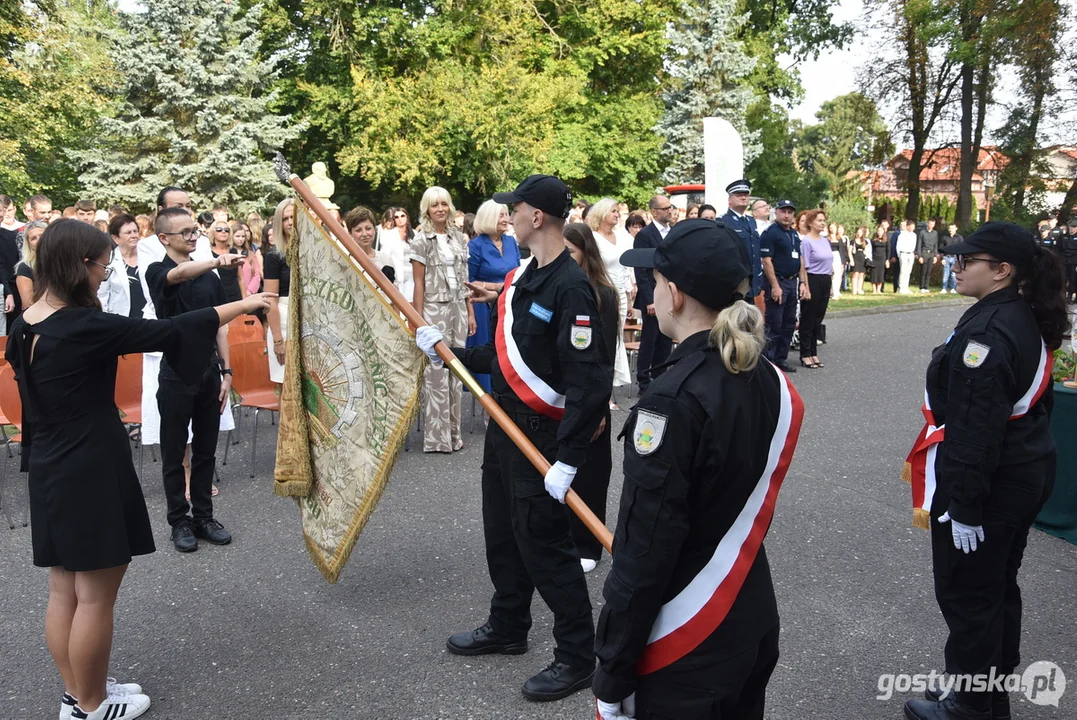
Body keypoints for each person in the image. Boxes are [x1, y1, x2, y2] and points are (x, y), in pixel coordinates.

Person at [8, 219, 270, 720]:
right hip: (90, 465)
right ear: (78, 264)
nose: (108, 268)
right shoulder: (84, 325)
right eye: (102, 261)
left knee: (65, 588)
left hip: (49, 462)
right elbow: (171, 330)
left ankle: (78, 690)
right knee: (94, 597)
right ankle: (90, 705)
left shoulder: (27, 323)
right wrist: (247, 304)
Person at [595, 218, 804, 720]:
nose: (653, 295)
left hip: (687, 638)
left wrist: (612, 668)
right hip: (747, 613)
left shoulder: (671, 401)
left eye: (657, 283)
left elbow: (645, 552)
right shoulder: (765, 376)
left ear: (677, 293)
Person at [414, 174, 611, 702]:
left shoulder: (571, 287)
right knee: (502, 533)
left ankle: (577, 655)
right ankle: (508, 626)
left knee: (545, 546)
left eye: (515, 209)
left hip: (541, 439)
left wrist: (569, 458)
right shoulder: (526, 277)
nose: (509, 216)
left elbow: (587, 382)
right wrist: (449, 349)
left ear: (537, 217)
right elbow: (507, 361)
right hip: (504, 428)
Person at [902, 222, 1067, 720]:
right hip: (1023, 468)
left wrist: (966, 505)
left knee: (969, 591)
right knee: (994, 586)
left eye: (966, 261)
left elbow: (976, 428)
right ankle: (980, 688)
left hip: (993, 482)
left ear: (1001, 271)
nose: (955, 266)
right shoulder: (1011, 312)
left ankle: (971, 706)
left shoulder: (990, 331)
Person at [146, 207, 245, 553]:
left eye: (194, 231)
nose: (192, 236)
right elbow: (178, 275)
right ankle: (179, 521)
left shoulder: (209, 277)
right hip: (175, 373)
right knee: (175, 454)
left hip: (208, 372)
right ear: (164, 238)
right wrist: (217, 261)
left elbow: (220, 325)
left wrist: (226, 372)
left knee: (206, 452)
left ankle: (204, 517)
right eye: (184, 232)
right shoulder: (157, 270)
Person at [562, 222, 618, 573]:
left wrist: (599, 407)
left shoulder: (603, 294)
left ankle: (589, 544)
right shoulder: (557, 288)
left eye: (571, 252)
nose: (565, 259)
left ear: (586, 252)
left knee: (591, 473)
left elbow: (605, 356)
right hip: (559, 394)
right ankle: (562, 538)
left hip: (591, 396)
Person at [410, 186, 474, 453]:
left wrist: (470, 312)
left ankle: (454, 434)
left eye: (444, 204)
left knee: (457, 369)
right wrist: (417, 319)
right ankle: (437, 439)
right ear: (426, 208)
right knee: (435, 372)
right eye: (434, 205)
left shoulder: (459, 237)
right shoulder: (420, 240)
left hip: (458, 307)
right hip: (433, 309)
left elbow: (465, 279)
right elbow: (418, 282)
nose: (440, 209)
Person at [467, 200, 521, 392]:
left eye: (507, 214)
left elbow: (517, 272)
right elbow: (468, 281)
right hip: (482, 306)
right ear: (489, 217)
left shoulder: (511, 241)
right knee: (487, 355)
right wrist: (497, 286)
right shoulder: (475, 246)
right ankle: (488, 406)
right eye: (501, 215)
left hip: (508, 303)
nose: (506, 219)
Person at [587, 198, 634, 394]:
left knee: (617, 338)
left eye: (617, 211)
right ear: (602, 214)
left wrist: (629, 296)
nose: (617, 214)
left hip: (621, 293)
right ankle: (601, 386)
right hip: (601, 293)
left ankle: (610, 386)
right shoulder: (593, 238)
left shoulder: (622, 237)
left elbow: (626, 269)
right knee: (603, 336)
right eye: (613, 211)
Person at [632, 196, 675, 395]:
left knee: (666, 339)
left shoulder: (673, 232)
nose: (670, 211)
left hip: (670, 294)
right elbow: (641, 271)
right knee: (649, 339)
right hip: (653, 295)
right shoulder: (645, 235)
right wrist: (649, 299)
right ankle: (644, 380)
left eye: (670, 207)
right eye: (665, 208)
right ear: (655, 212)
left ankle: (661, 376)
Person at [760, 199, 801, 372]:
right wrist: (775, 286)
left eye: (790, 212)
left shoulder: (794, 234)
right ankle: (769, 362)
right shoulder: (771, 233)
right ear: (776, 212)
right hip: (778, 281)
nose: (786, 215)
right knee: (774, 323)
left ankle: (781, 359)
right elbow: (767, 261)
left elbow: (800, 259)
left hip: (792, 281)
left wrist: (803, 282)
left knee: (788, 323)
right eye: (783, 211)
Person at [264, 198, 293, 385]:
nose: (290, 222)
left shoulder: (312, 252)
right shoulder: (274, 256)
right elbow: (270, 300)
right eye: (285, 219)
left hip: (309, 320)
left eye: (293, 217)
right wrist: (277, 340)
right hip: (282, 319)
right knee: (286, 388)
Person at [799, 209, 832, 369]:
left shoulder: (825, 240)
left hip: (825, 279)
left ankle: (813, 352)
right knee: (808, 318)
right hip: (812, 278)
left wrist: (830, 284)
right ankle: (805, 354)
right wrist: (805, 285)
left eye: (823, 220)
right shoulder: (806, 241)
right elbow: (803, 265)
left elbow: (828, 263)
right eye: (819, 220)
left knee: (818, 318)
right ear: (811, 223)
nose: (822, 223)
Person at [721, 179, 762, 301]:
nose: (743, 197)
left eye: (746, 195)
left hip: (752, 281)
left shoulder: (751, 221)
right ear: (730, 200)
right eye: (739, 195)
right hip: (736, 283)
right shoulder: (724, 222)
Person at [98, 214, 142, 318]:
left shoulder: (147, 257)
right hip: (121, 321)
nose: (134, 235)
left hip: (148, 320)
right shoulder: (109, 262)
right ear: (115, 238)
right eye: (128, 233)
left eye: (135, 231)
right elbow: (102, 297)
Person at [345, 205, 396, 283]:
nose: (365, 234)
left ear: (374, 230)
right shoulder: (346, 262)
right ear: (350, 234)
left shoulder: (386, 259)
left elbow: (396, 290)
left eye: (368, 228)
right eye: (358, 230)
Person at [379, 206, 415, 300]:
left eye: (402, 216)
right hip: (397, 274)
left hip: (413, 275)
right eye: (396, 217)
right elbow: (384, 255)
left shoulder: (415, 234)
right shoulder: (389, 235)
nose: (400, 219)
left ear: (407, 217)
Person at [14, 219, 46, 313]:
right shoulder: (25, 268)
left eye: (42, 235)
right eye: (33, 238)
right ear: (28, 244)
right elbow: (28, 303)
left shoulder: (63, 261)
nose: (39, 240)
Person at [209, 219, 242, 303]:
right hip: (216, 295)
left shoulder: (234, 251)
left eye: (226, 230)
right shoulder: (207, 252)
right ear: (213, 232)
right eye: (219, 229)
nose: (223, 232)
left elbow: (241, 278)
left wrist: (244, 300)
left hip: (235, 294)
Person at [917, 218, 940, 293]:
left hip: (931, 254)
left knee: (929, 271)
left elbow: (936, 245)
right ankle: (922, 287)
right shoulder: (922, 232)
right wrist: (920, 256)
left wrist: (935, 256)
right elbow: (919, 244)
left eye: (933, 224)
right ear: (927, 224)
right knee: (923, 271)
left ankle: (926, 287)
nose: (931, 225)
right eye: (930, 224)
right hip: (924, 253)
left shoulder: (935, 233)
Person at [939, 223, 962, 294]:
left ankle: (953, 288)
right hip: (946, 257)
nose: (950, 230)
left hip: (955, 258)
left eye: (952, 228)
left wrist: (959, 259)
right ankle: (944, 288)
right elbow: (941, 248)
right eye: (949, 228)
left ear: (956, 228)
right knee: (946, 274)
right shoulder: (944, 237)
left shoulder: (959, 238)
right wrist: (942, 258)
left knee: (953, 275)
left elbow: (961, 248)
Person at [897, 220, 918, 294]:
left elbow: (914, 245)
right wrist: (899, 255)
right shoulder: (902, 235)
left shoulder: (914, 235)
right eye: (912, 226)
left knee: (908, 271)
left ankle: (906, 287)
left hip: (910, 254)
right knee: (903, 271)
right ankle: (901, 287)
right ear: (908, 226)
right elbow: (898, 246)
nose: (913, 228)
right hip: (903, 253)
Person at [870, 224, 891, 294]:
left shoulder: (886, 239)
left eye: (881, 231)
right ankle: (874, 290)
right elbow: (871, 249)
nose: (879, 232)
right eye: (878, 231)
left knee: (881, 274)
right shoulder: (873, 239)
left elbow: (888, 250)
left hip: (882, 259)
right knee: (874, 274)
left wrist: (887, 260)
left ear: (883, 232)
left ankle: (878, 289)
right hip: (874, 258)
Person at [849, 226, 869, 295]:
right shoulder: (853, 241)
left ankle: (859, 289)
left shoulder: (865, 241)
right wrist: (851, 260)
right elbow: (849, 251)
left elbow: (867, 251)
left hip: (862, 259)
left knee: (861, 274)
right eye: (858, 232)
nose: (859, 233)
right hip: (855, 258)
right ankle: (854, 290)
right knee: (855, 274)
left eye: (860, 232)